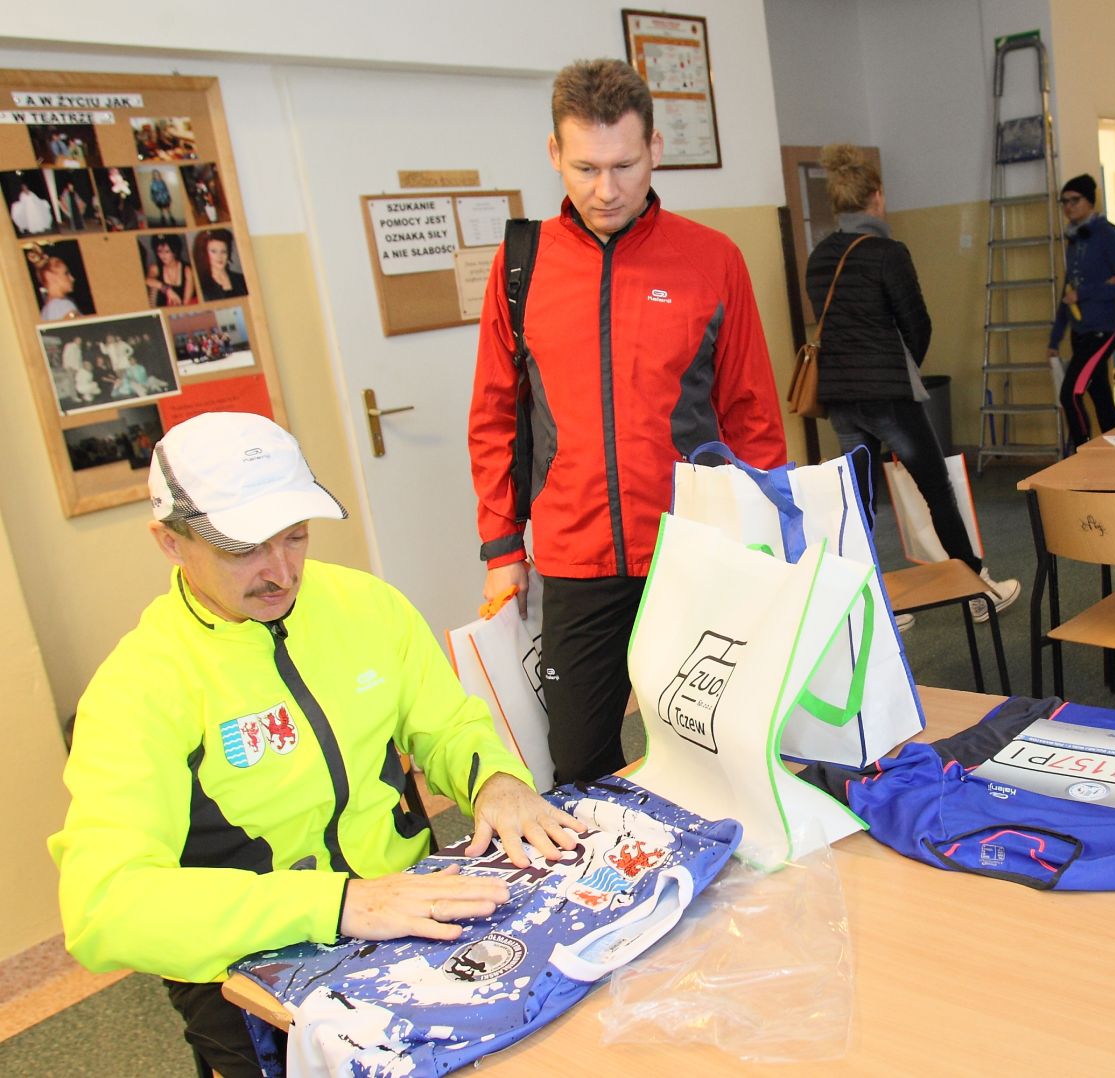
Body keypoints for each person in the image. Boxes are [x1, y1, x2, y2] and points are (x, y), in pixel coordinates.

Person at [48, 411, 581, 1077]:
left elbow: (447, 724)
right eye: (244, 549)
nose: (280, 571)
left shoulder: (366, 605)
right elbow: (104, 907)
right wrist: (338, 904)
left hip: (407, 903)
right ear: (171, 543)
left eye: (295, 536)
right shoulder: (138, 688)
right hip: (253, 964)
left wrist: (494, 780)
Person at [468, 58, 786, 786]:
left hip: (693, 548)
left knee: (716, 754)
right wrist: (501, 547)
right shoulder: (521, 266)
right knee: (579, 764)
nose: (605, 190)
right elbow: (494, 414)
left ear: (654, 150)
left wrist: (766, 534)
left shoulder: (712, 259)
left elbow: (751, 414)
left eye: (623, 165)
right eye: (585, 168)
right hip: (575, 558)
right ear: (555, 153)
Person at [806, 144, 1019, 624]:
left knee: (859, 500)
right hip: (889, 395)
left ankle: (871, 607)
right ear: (877, 197)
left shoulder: (819, 256)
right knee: (936, 489)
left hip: (840, 397)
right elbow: (917, 324)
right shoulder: (888, 253)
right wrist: (904, 370)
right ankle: (977, 590)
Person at [1046, 173, 1115, 448]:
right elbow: (1069, 290)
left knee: (1071, 394)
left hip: (1103, 329)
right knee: (1100, 396)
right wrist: (1055, 338)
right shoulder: (1075, 238)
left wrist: (1085, 292)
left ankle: (1081, 450)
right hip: (1081, 330)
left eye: (1075, 200)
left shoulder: (1107, 234)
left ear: (1089, 201)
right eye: (1064, 202)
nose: (1068, 207)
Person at [27, 246, 85, 320]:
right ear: (50, 276)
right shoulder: (63, 306)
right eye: (66, 273)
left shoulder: (44, 311)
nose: (72, 278)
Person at [145, 232, 197, 307]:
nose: (163, 255)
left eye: (167, 251)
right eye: (159, 251)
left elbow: (186, 302)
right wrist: (167, 290)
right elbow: (148, 280)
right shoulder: (155, 268)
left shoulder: (187, 270)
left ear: (175, 252)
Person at [196, 227, 249, 299]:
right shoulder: (201, 284)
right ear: (205, 253)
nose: (219, 256)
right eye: (214, 251)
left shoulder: (242, 279)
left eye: (223, 251)